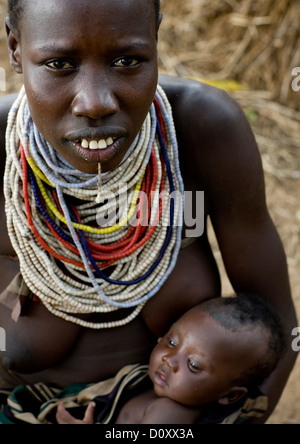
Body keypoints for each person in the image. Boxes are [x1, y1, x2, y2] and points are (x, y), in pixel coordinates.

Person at [0, 0, 297, 424]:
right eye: (60, 63)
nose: (96, 102)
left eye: (127, 60)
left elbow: (279, 324)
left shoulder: (202, 127)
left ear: (156, 37)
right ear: (15, 47)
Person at [0, 294, 286, 424]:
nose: (170, 359)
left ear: (229, 396)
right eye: (172, 341)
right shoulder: (163, 392)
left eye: (194, 365)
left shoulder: (170, 415)